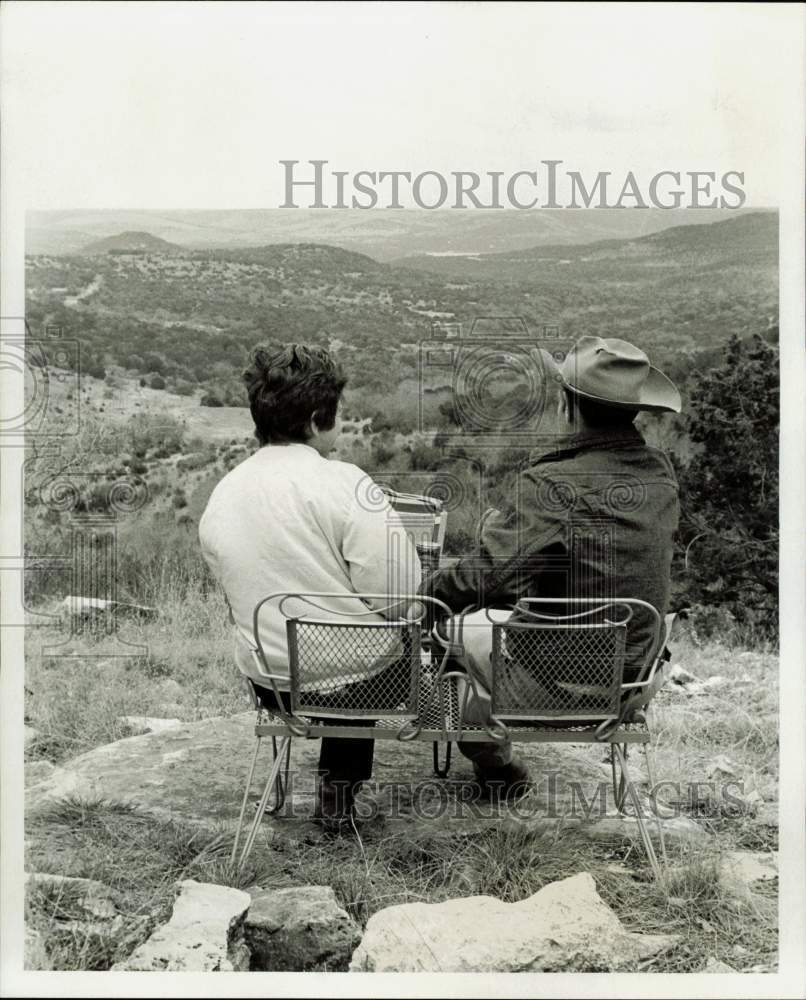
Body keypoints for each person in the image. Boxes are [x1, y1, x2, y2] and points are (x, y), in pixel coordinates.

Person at [423, 336, 682, 798]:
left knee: (452, 635)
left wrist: (427, 595)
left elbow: (488, 576)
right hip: (634, 679)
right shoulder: (659, 474)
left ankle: (496, 769)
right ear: (634, 410)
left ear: (568, 404)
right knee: (486, 622)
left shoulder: (554, 484)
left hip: (564, 684)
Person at [199, 344, 421, 829]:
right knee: (380, 650)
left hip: (271, 682)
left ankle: (313, 786)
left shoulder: (224, 492)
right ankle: (340, 792)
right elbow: (401, 599)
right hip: (361, 686)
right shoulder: (346, 484)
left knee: (344, 649)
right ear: (320, 418)